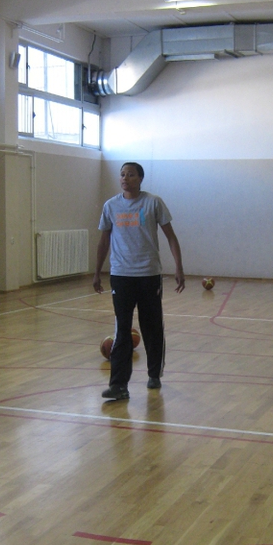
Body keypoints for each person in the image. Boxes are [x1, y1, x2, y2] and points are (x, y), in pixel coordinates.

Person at [93, 162, 185, 400]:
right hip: (120, 275)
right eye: (122, 174)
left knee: (151, 327)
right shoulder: (111, 206)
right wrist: (97, 272)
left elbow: (171, 237)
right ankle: (118, 385)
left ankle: (154, 374)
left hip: (148, 275)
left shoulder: (153, 203)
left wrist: (178, 266)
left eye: (131, 175)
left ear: (140, 178)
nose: (125, 178)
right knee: (122, 329)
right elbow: (103, 241)